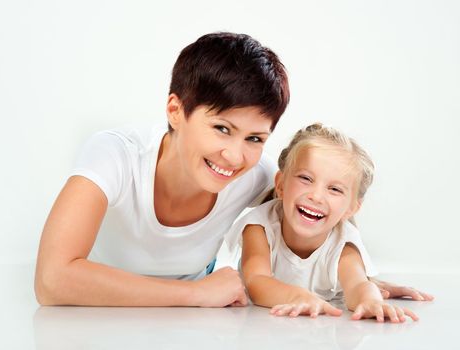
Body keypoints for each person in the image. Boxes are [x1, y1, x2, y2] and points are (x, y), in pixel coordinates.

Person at [35, 32, 431, 307]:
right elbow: (52, 280)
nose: (234, 156)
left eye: (255, 139)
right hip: (88, 324)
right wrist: (195, 295)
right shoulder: (116, 155)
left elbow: (310, 228)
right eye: (222, 128)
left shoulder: (258, 179)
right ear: (176, 111)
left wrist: (359, 284)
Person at [226, 123, 432, 322]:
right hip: (270, 331)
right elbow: (257, 282)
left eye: (334, 189)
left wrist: (370, 300)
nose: (316, 196)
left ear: (351, 208)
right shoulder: (259, 226)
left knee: (369, 285)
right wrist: (299, 298)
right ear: (280, 184)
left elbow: (356, 285)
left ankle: (376, 284)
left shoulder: (344, 241)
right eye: (306, 178)